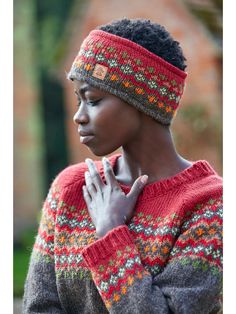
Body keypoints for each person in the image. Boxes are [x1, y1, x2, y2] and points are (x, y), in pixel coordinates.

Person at [23, 18, 222, 313]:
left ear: (142, 99)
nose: (78, 116)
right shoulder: (72, 189)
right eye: (78, 99)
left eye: (92, 99)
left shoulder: (210, 204)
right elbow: (38, 307)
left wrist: (111, 233)